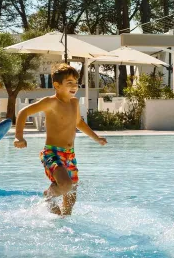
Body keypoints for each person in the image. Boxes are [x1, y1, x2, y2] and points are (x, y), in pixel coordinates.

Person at [14, 64, 107, 215]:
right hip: (52, 152)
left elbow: (79, 123)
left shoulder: (74, 103)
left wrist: (96, 138)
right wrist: (19, 137)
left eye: (76, 83)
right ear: (57, 85)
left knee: (70, 199)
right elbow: (24, 112)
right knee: (65, 185)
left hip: (70, 154)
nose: (74, 86)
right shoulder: (51, 102)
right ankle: (49, 196)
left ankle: (63, 224)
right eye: (69, 82)